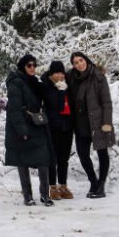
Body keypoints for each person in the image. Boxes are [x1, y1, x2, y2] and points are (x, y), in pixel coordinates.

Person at [5, 54, 55, 207]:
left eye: (34, 65)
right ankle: (27, 196)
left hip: (36, 124)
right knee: (23, 160)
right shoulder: (16, 83)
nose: (33, 68)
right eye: (29, 65)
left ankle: (45, 195)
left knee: (43, 159)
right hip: (23, 125)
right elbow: (13, 109)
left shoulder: (34, 82)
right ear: (23, 67)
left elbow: (46, 93)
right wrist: (21, 130)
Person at [66, 51, 113, 198]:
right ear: (73, 65)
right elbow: (53, 77)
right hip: (80, 123)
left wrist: (107, 122)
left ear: (86, 60)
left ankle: (101, 186)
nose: (79, 64)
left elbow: (106, 102)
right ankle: (93, 181)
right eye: (76, 62)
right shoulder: (70, 77)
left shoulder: (98, 76)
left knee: (102, 152)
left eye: (81, 60)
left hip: (97, 121)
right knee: (82, 154)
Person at [44, 60, 74, 200]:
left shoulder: (67, 85)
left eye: (62, 72)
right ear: (51, 73)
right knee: (53, 159)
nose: (60, 75)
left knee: (64, 159)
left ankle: (63, 185)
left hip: (67, 127)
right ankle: (52, 187)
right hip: (53, 127)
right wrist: (61, 91)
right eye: (57, 73)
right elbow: (57, 105)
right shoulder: (47, 86)